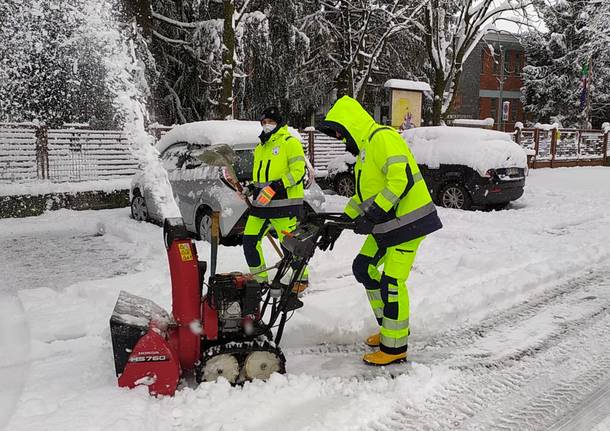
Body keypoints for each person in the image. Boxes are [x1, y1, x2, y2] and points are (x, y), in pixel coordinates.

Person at [317, 96, 442, 366]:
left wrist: (373, 215)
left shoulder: (382, 138)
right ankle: (390, 325)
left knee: (392, 282)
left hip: (411, 223)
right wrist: (338, 224)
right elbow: (365, 196)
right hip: (389, 225)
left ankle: (395, 347)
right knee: (363, 267)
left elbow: (401, 180)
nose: (340, 139)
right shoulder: (365, 151)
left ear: (351, 125)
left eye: (340, 132)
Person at [242, 106, 309, 293]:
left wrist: (277, 186)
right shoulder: (260, 147)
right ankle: (260, 279)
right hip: (261, 206)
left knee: (290, 245)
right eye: (263, 122)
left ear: (278, 122)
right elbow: (261, 179)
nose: (266, 125)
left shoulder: (290, 142)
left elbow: (298, 172)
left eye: (270, 122)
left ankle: (301, 278)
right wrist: (250, 188)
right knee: (249, 242)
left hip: (284, 205)